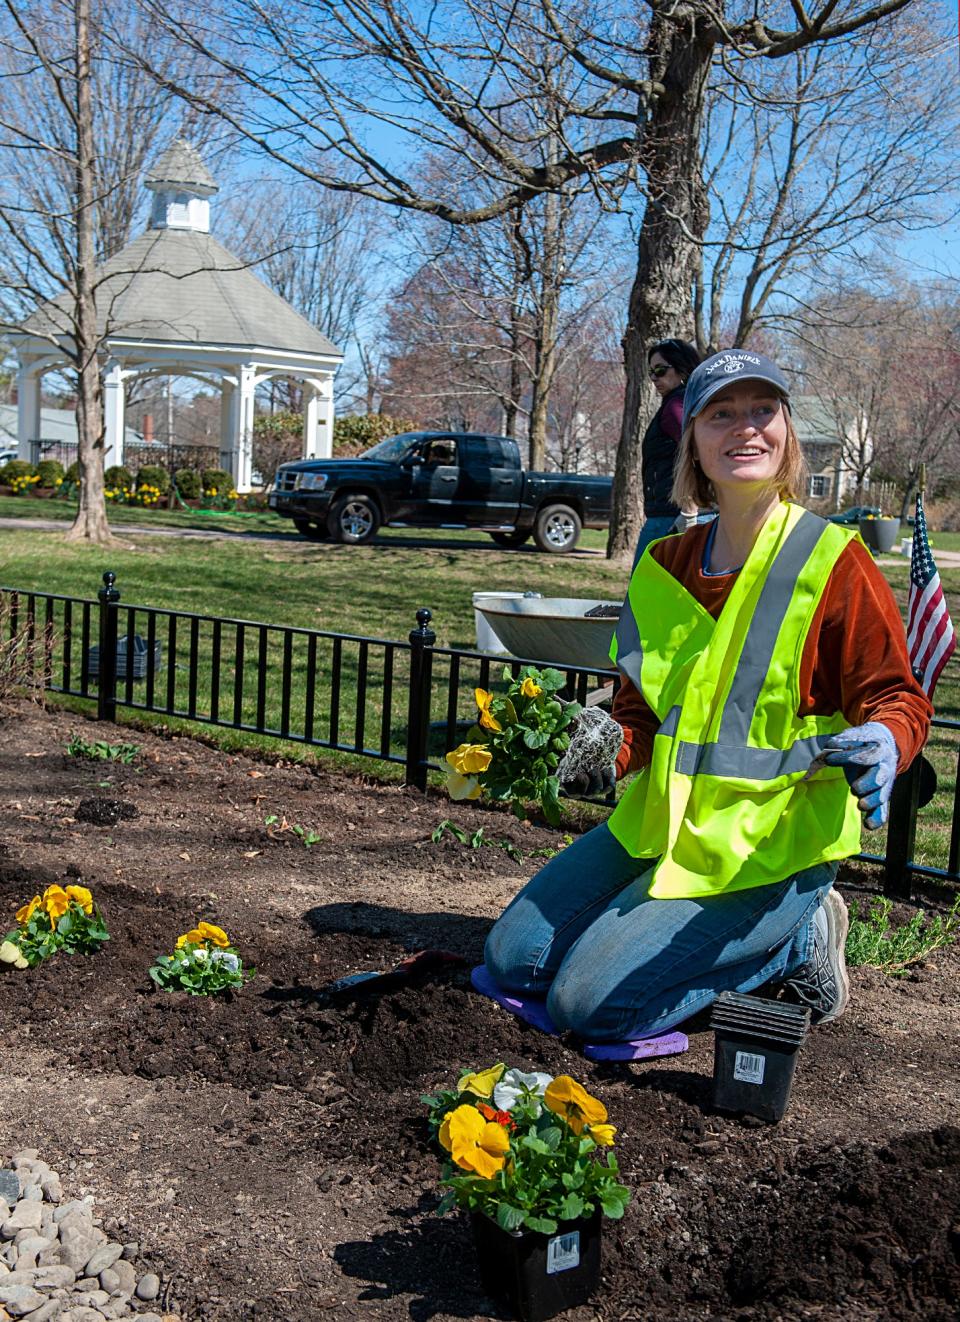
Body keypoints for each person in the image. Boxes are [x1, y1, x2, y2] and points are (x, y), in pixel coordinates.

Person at [483, 348, 931, 1047]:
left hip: (771, 852)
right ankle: (678, 936)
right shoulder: (665, 565)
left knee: (584, 1007)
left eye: (763, 411)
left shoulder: (835, 560)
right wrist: (607, 742)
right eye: (721, 413)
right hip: (661, 828)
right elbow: (639, 709)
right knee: (515, 961)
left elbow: (897, 696)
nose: (744, 428)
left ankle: (793, 943)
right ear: (692, 438)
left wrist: (887, 741)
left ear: (786, 434)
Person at [634, 338, 704, 565]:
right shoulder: (688, 403)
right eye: (651, 371)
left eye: (661, 370)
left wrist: (689, 512)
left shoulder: (676, 407)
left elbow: (698, 454)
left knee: (641, 595)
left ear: (682, 368)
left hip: (669, 519)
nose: (654, 377)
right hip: (675, 515)